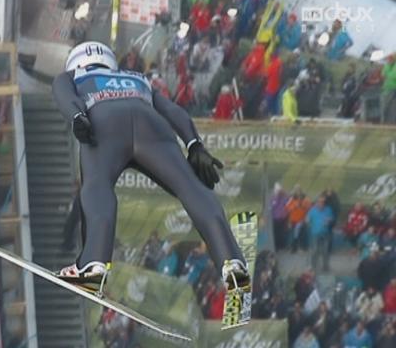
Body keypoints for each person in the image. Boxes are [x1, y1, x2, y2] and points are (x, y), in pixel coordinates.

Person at [52, 41, 250, 294]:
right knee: (191, 188)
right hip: (151, 124)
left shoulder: (74, 75)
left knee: (96, 187)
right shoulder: (138, 78)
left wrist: (77, 116)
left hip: (104, 122)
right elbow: (172, 110)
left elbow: (63, 94)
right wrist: (194, 144)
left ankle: (93, 265)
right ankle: (233, 263)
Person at [307, 195, 333, 271]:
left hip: (325, 234)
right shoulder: (312, 210)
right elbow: (307, 219)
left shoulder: (328, 210)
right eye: (320, 202)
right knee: (314, 250)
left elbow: (331, 218)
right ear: (317, 203)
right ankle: (313, 266)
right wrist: (308, 221)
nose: (321, 203)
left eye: (323, 202)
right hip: (315, 234)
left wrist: (329, 220)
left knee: (325, 251)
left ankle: (325, 266)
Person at [271, 182, 289, 250]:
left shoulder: (284, 198)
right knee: (276, 233)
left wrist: (284, 193)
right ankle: (277, 246)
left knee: (282, 233)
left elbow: (287, 202)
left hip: (283, 218)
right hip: (276, 219)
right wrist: (277, 198)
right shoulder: (274, 198)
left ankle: (282, 246)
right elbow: (273, 206)